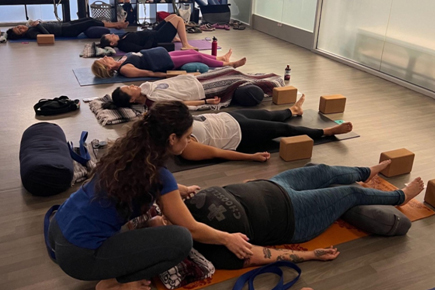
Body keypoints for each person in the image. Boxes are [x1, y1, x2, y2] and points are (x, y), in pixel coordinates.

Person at [47, 101, 253, 290]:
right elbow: (191, 228)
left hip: (59, 227)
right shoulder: (159, 176)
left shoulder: (125, 151)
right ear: (172, 138)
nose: (189, 140)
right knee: (180, 240)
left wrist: (177, 189)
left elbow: (146, 182)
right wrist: (227, 239)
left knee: (146, 225)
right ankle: (116, 284)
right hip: (79, 257)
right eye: (187, 136)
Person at [147, 160, 424, 270]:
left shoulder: (178, 208)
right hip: (295, 214)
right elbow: (261, 255)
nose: (162, 219)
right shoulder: (214, 249)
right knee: (351, 193)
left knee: (323, 170)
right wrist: (309, 255)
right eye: (162, 225)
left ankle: (367, 171)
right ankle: (401, 196)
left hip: (275, 185)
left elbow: (157, 201)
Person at [91, 47, 246, 78]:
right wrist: (171, 75)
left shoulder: (121, 60)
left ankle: (220, 58)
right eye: (103, 60)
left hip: (161, 53)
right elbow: (149, 73)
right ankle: (229, 65)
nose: (105, 57)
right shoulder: (125, 69)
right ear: (108, 67)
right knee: (197, 58)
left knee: (193, 52)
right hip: (164, 62)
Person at [99, 14, 198, 52]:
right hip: (157, 38)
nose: (113, 34)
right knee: (178, 19)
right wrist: (151, 36)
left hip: (153, 33)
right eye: (111, 36)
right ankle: (185, 44)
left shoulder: (123, 37)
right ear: (112, 43)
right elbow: (144, 49)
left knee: (172, 16)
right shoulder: (124, 45)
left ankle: (174, 38)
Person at [6, 17, 128, 40]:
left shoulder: (29, 27)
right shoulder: (31, 33)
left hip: (65, 24)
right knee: (90, 22)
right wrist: (38, 25)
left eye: (18, 27)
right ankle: (116, 25)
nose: (21, 27)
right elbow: (48, 36)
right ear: (21, 35)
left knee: (89, 18)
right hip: (67, 31)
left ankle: (115, 24)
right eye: (19, 31)